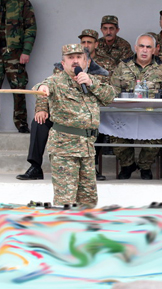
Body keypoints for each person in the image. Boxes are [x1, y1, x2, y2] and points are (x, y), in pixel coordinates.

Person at [16, 29, 112, 181]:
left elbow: (108, 93)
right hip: (61, 114)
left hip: (86, 117)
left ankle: (90, 166)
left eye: (89, 42)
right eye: (83, 42)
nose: (86, 45)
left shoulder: (100, 70)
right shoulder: (62, 69)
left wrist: (90, 83)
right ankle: (35, 166)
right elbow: (46, 85)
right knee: (38, 122)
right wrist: (41, 108)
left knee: (95, 124)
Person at [32, 44, 115, 207]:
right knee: (66, 201)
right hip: (65, 148)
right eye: (70, 58)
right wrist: (42, 101)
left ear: (87, 62)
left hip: (87, 148)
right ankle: (64, 231)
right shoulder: (56, 81)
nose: (75, 61)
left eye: (79, 57)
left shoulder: (92, 81)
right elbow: (42, 87)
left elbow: (109, 96)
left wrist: (91, 83)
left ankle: (82, 231)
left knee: (88, 200)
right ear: (63, 64)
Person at [110, 33, 162, 180]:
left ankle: (145, 166)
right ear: (135, 48)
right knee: (115, 135)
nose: (144, 50)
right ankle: (127, 165)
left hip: (152, 115)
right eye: (141, 46)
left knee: (156, 137)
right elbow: (113, 90)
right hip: (126, 114)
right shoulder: (123, 66)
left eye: (148, 47)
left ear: (155, 50)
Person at [0, 0, 36, 133]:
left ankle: (21, 123)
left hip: (14, 53)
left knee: (19, 87)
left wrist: (26, 51)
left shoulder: (22, 2)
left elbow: (30, 27)